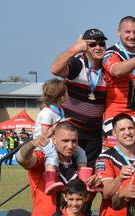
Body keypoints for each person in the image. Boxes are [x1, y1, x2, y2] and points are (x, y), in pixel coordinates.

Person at [50, 28, 108, 163]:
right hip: (71, 131)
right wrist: (74, 49)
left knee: (88, 174)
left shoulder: (107, 67)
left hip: (94, 134)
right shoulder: (77, 64)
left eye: (101, 44)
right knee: (68, 172)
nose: (98, 47)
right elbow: (54, 69)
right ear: (85, 47)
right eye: (92, 44)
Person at [102, 16, 135, 146]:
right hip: (116, 116)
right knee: (117, 158)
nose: (132, 36)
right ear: (119, 32)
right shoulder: (110, 53)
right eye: (127, 32)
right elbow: (117, 71)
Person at [35, 79, 87, 194]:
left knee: (80, 152)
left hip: (55, 141)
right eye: (67, 92)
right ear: (62, 97)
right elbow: (45, 134)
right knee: (52, 154)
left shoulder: (60, 110)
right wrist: (58, 125)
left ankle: (84, 181)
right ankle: (50, 182)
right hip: (43, 142)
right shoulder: (47, 112)